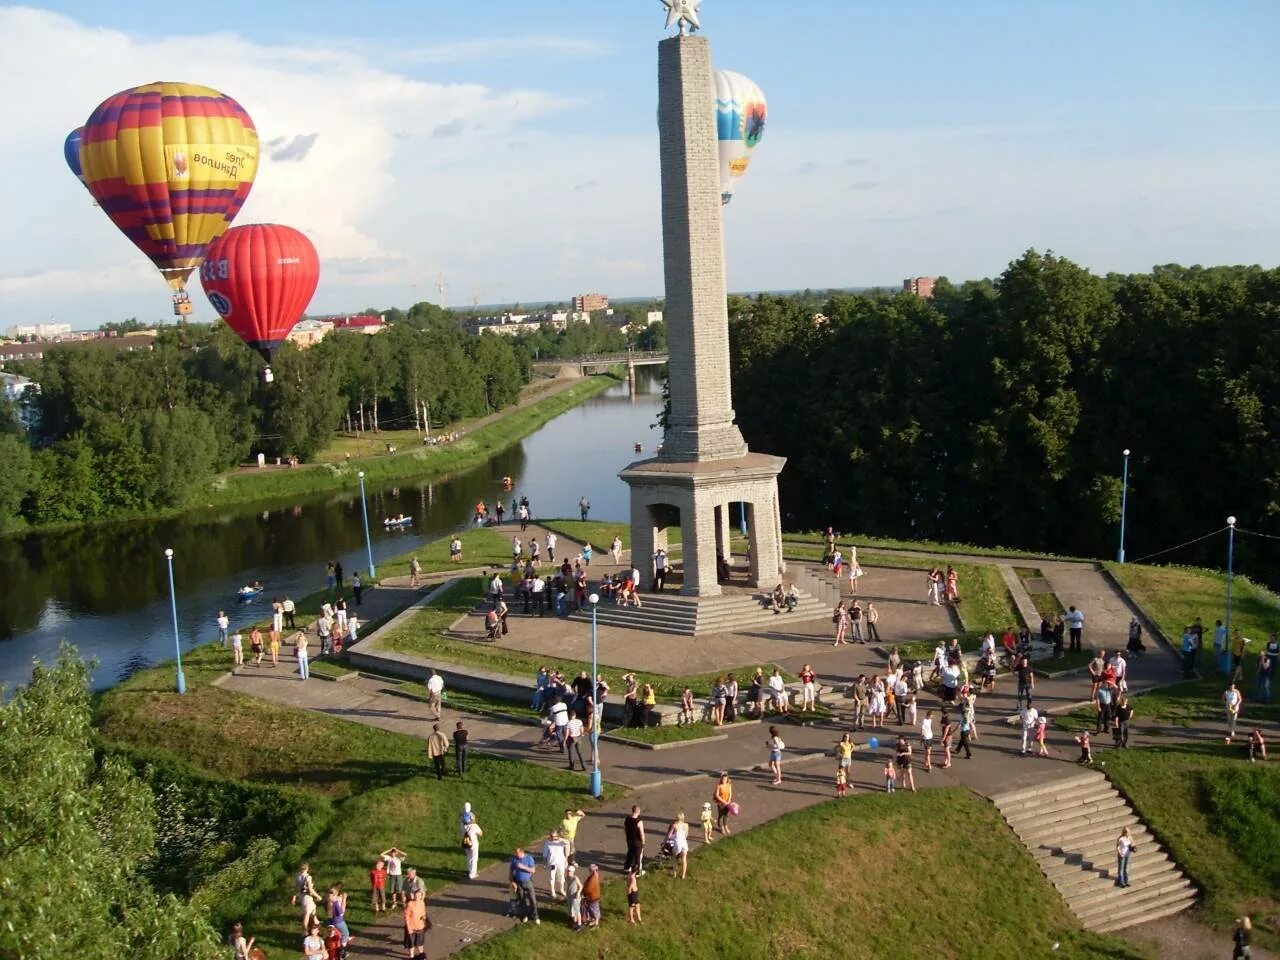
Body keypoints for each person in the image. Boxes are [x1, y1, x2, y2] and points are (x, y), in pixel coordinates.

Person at [511, 847, 540, 923]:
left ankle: (535, 916)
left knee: (532, 899)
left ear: (521, 852)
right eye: (515, 853)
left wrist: (523, 867)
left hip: (528, 882)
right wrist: (512, 882)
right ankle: (525, 915)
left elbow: (533, 870)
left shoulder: (529, 858)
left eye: (517, 853)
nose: (516, 855)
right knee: (522, 899)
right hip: (518, 882)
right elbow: (511, 871)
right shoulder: (514, 859)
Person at [326, 886, 352, 952]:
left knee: (336, 933)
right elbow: (341, 913)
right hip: (338, 921)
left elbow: (329, 914)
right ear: (336, 894)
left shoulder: (329, 900)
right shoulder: (335, 903)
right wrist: (344, 900)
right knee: (346, 933)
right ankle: (342, 948)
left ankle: (334, 945)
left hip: (331, 920)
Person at [403, 889, 427, 960]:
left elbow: (423, 912)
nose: (417, 897)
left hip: (420, 926)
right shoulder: (410, 904)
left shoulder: (422, 903)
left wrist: (424, 916)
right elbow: (406, 917)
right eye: (416, 895)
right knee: (411, 944)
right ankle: (412, 957)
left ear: (421, 896)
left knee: (420, 942)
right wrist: (409, 928)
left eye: (419, 895)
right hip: (411, 928)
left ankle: (422, 955)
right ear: (414, 896)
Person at [666, 811, 690, 879]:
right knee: (684, 859)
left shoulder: (675, 825)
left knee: (674, 858)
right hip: (684, 843)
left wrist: (668, 840)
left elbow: (669, 835)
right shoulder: (686, 825)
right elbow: (686, 835)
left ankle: (674, 873)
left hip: (677, 843)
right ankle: (683, 875)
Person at [623, 805, 646, 874]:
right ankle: (638, 871)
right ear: (638, 811)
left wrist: (627, 835)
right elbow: (642, 833)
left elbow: (624, 828)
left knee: (630, 853)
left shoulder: (627, 819)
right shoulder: (639, 821)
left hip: (629, 839)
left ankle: (627, 868)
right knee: (637, 856)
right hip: (637, 841)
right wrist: (643, 841)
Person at [581, 863, 602, 928]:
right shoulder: (595, 876)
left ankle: (596, 924)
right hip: (593, 897)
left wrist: (583, 893)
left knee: (594, 910)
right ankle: (593, 920)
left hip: (593, 897)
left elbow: (588, 889)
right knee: (592, 909)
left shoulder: (593, 878)